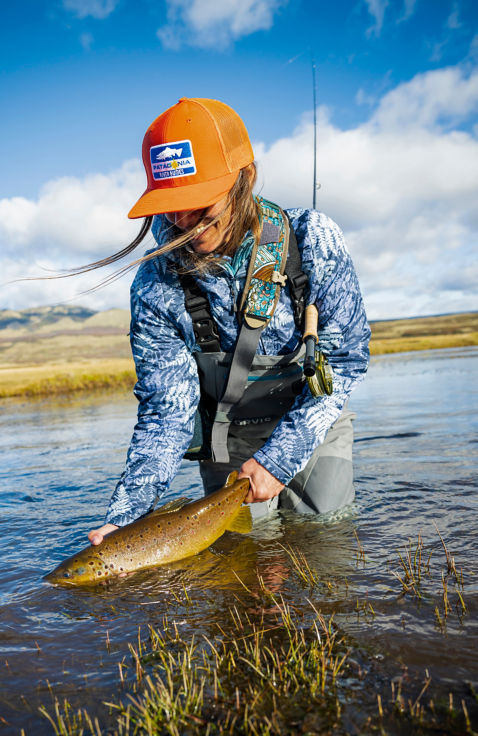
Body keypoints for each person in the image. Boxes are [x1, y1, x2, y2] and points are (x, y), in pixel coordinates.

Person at [86, 97, 370, 547]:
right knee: (242, 569)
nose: (184, 222)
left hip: (314, 420)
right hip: (226, 435)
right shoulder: (154, 282)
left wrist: (282, 457)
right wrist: (126, 521)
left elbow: (346, 360)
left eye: (200, 203)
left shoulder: (314, 239)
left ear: (246, 178)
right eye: (172, 204)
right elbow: (167, 413)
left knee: (327, 544)